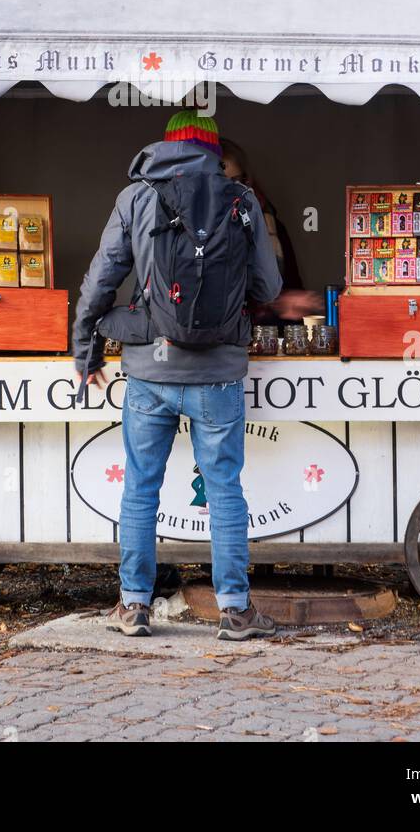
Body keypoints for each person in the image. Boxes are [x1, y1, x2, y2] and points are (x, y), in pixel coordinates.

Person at [72, 108, 283, 641]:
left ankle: (134, 606)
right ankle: (235, 611)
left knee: (141, 487)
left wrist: (85, 351)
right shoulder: (243, 200)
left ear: (166, 147)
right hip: (219, 375)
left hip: (149, 370)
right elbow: (269, 288)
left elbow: (100, 283)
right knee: (225, 490)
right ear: (213, 150)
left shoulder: (135, 197)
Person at [220, 136, 323, 323]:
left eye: (237, 181)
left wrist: (291, 301)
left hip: (268, 337)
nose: (233, 191)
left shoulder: (270, 222)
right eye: (224, 183)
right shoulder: (197, 232)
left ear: (247, 179)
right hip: (224, 337)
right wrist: (278, 303)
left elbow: (292, 284)